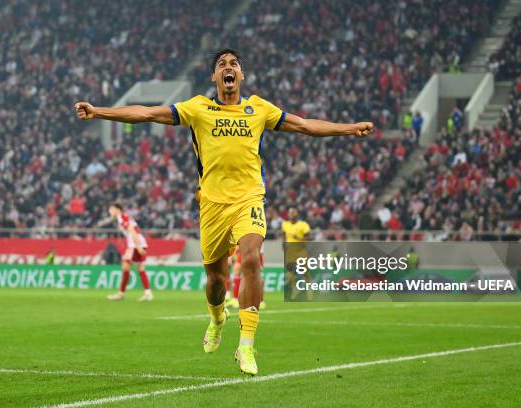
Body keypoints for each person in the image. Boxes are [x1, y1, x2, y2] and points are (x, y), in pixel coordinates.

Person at [75, 48, 373, 375]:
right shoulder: (198, 108)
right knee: (216, 281)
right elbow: (146, 113)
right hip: (212, 205)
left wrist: (348, 128)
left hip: (249, 198)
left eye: (233, 65)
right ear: (215, 77)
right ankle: (217, 318)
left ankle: (246, 345)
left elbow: (304, 125)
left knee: (249, 259)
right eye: (221, 65)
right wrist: (99, 112)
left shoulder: (258, 108)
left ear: (241, 76)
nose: (228, 68)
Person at [105, 202, 153, 302]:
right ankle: (147, 293)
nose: (110, 211)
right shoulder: (124, 217)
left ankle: (121, 294)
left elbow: (132, 230)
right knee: (139, 268)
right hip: (138, 242)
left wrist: (138, 246)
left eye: (111, 209)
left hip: (135, 245)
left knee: (126, 266)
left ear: (117, 209)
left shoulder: (121, 217)